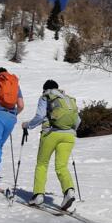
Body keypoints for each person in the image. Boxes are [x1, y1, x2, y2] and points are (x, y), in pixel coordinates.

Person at [22, 80, 80, 210]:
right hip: (69, 135)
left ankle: (38, 195)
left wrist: (27, 125)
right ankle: (69, 190)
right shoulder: (68, 99)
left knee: (42, 164)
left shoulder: (46, 97)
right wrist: (69, 130)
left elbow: (40, 116)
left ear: (45, 89)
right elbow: (78, 120)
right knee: (62, 166)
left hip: (50, 134)